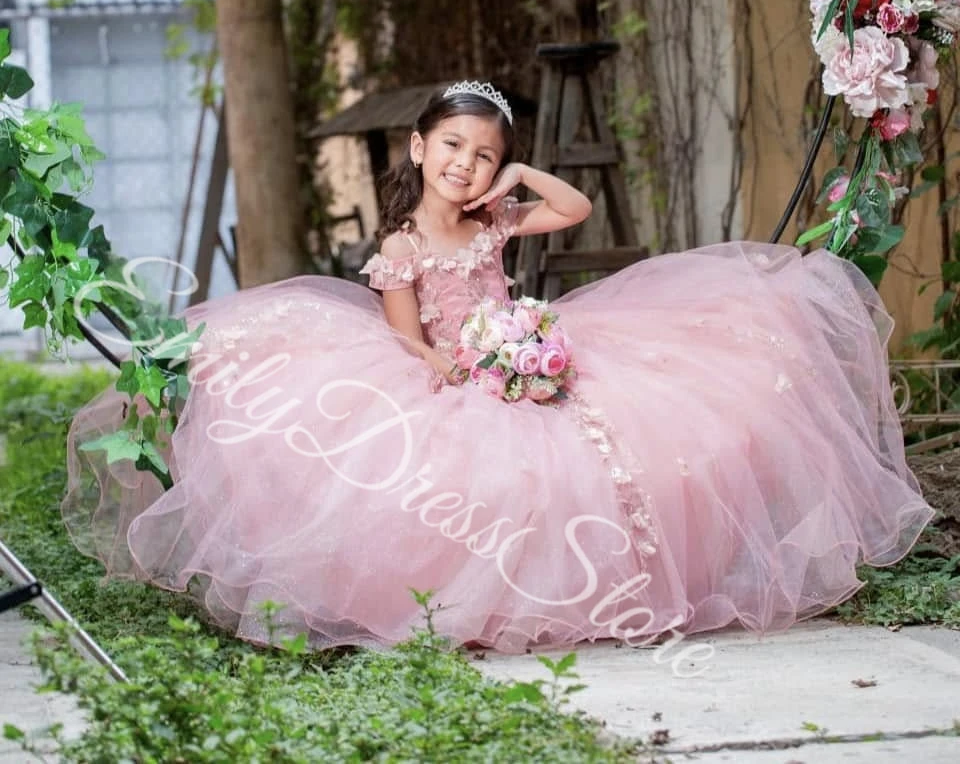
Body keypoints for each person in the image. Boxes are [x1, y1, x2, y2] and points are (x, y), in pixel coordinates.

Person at [62, 80, 935, 654]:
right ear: (418, 148)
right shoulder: (403, 243)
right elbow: (402, 333)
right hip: (447, 365)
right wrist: (459, 363)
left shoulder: (494, 220)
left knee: (617, 438)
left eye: (481, 154)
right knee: (471, 474)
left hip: (515, 344)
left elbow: (576, 205)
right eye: (452, 148)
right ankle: (484, 595)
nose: (464, 165)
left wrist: (517, 175)